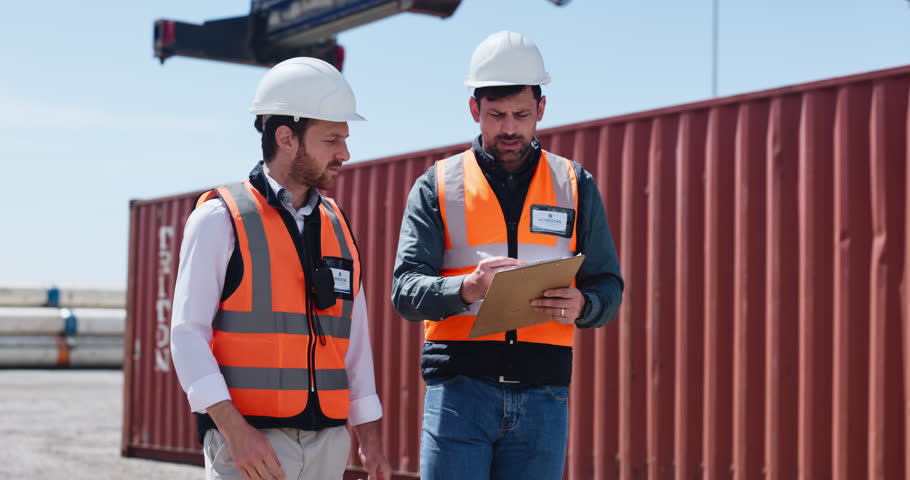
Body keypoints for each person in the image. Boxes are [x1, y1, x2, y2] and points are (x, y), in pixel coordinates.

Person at [391, 31, 624, 479]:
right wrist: (466, 287)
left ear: (541, 109)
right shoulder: (437, 185)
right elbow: (405, 290)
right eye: (496, 115)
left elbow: (608, 285)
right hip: (458, 395)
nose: (510, 128)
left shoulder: (576, 184)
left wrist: (585, 305)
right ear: (474, 109)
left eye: (521, 114)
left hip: (544, 397)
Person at [170, 57, 390, 480]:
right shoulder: (221, 219)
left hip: (328, 444)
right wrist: (235, 432)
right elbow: (186, 335)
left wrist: (370, 439)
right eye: (332, 140)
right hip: (252, 447)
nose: (345, 153)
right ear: (287, 137)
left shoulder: (338, 225)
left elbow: (355, 340)